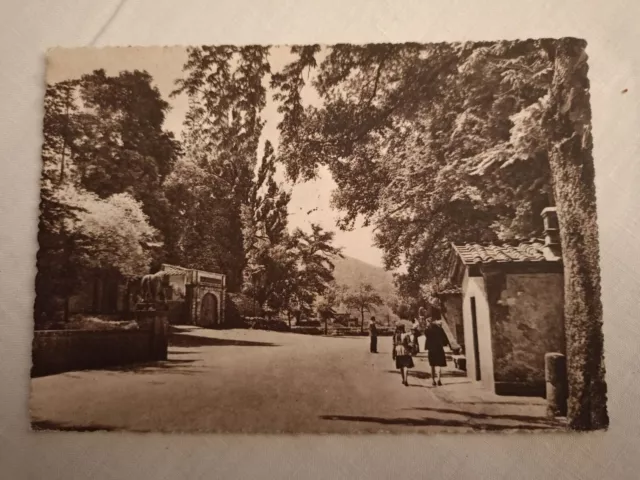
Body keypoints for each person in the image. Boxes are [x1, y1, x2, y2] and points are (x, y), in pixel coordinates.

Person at [424, 308, 450, 386]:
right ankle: (439, 379)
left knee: (432, 365)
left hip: (431, 349)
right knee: (438, 365)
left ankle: (433, 380)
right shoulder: (440, 329)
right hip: (439, 348)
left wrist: (427, 324)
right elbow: (445, 339)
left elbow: (426, 334)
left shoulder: (428, 330)